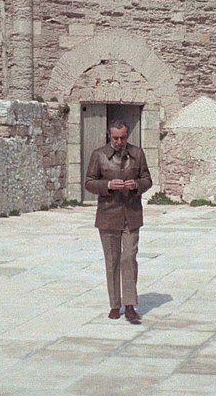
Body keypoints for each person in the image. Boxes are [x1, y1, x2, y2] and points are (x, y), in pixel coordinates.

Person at [84, 119, 152, 323]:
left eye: (123, 137)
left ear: (127, 136)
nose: (119, 141)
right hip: (108, 214)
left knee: (129, 257)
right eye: (115, 138)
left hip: (131, 214)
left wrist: (136, 185)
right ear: (109, 135)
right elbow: (89, 182)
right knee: (112, 260)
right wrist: (108, 185)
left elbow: (148, 180)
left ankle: (130, 305)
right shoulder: (99, 155)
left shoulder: (137, 153)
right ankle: (115, 304)